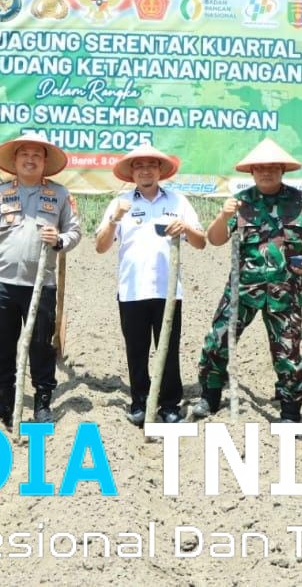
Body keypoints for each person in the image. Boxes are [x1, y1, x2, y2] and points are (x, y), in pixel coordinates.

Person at [193, 137, 302, 424]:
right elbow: (214, 239)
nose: (267, 172)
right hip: (242, 289)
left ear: (282, 170)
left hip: (285, 291)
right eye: (261, 168)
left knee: (288, 351)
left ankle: (290, 410)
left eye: (273, 167)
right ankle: (210, 395)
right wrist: (223, 216)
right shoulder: (239, 203)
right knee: (218, 340)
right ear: (252, 171)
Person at [0, 135, 82, 427]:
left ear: (44, 162)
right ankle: (4, 402)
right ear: (15, 160)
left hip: (41, 284)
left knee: (41, 347)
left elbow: (75, 232)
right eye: (24, 155)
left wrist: (59, 239)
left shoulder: (59, 194)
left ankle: (42, 404)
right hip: (2, 282)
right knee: (0, 346)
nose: (30, 160)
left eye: (36, 155)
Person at [94, 143, 206, 426]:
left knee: (168, 350)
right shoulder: (120, 203)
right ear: (132, 172)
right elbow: (101, 246)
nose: (145, 171)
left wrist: (186, 228)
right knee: (136, 350)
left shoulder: (178, 202)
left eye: (151, 165)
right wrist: (115, 219)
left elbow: (201, 242)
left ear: (160, 171)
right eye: (139, 166)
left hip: (168, 291)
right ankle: (140, 402)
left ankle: (169, 405)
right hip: (132, 290)